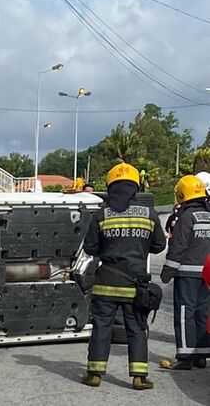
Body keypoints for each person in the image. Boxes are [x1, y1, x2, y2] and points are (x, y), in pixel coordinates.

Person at [82, 163, 166, 390]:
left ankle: (95, 374)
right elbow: (159, 246)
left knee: (101, 327)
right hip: (136, 285)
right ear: (135, 187)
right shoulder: (148, 214)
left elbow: (90, 247)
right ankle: (139, 376)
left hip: (106, 284)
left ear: (110, 187)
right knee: (137, 328)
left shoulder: (102, 215)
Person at [159, 175, 210, 370]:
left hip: (187, 274)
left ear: (182, 193)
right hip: (206, 276)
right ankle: (201, 354)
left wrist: (167, 271)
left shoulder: (187, 217)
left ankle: (185, 356)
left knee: (184, 313)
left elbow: (178, 246)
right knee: (203, 313)